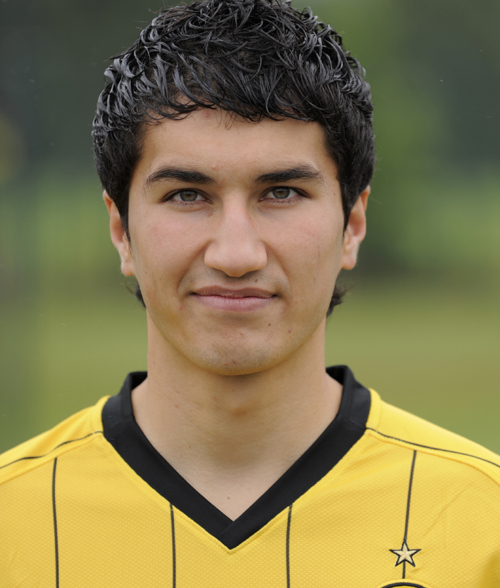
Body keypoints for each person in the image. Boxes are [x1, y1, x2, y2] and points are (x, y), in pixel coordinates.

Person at [1, 0, 499, 586]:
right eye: (187, 195)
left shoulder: (482, 522)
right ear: (121, 230)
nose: (235, 255)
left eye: (281, 193)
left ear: (352, 224)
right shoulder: (13, 519)